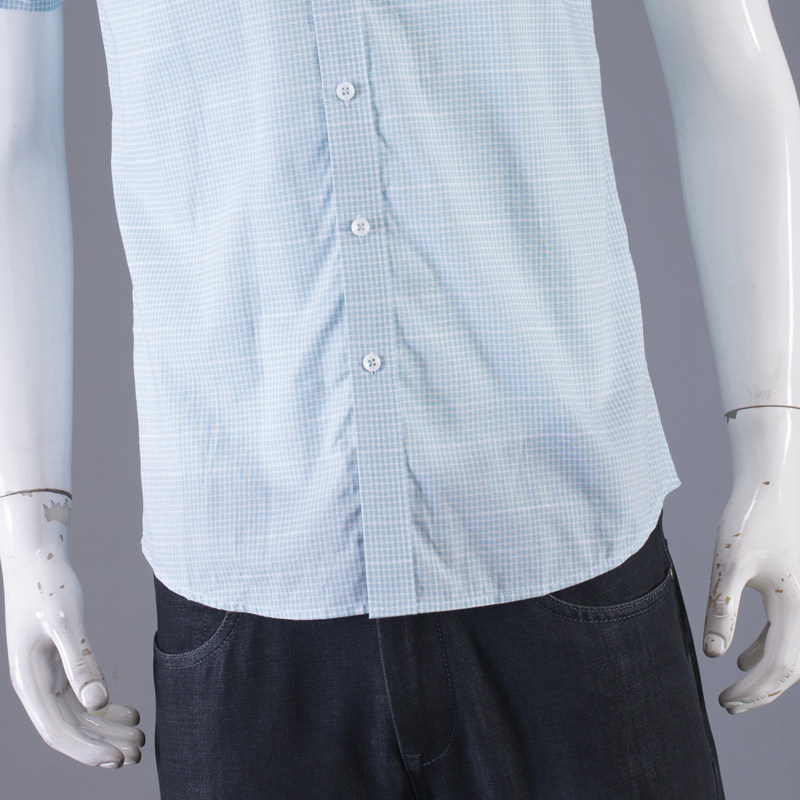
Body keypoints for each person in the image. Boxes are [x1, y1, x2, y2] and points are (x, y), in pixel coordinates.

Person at [1, 0, 798, 797]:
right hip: (248, 587)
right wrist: (26, 527)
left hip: (566, 540)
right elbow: (15, 144)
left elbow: (730, 68)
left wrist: (779, 451)